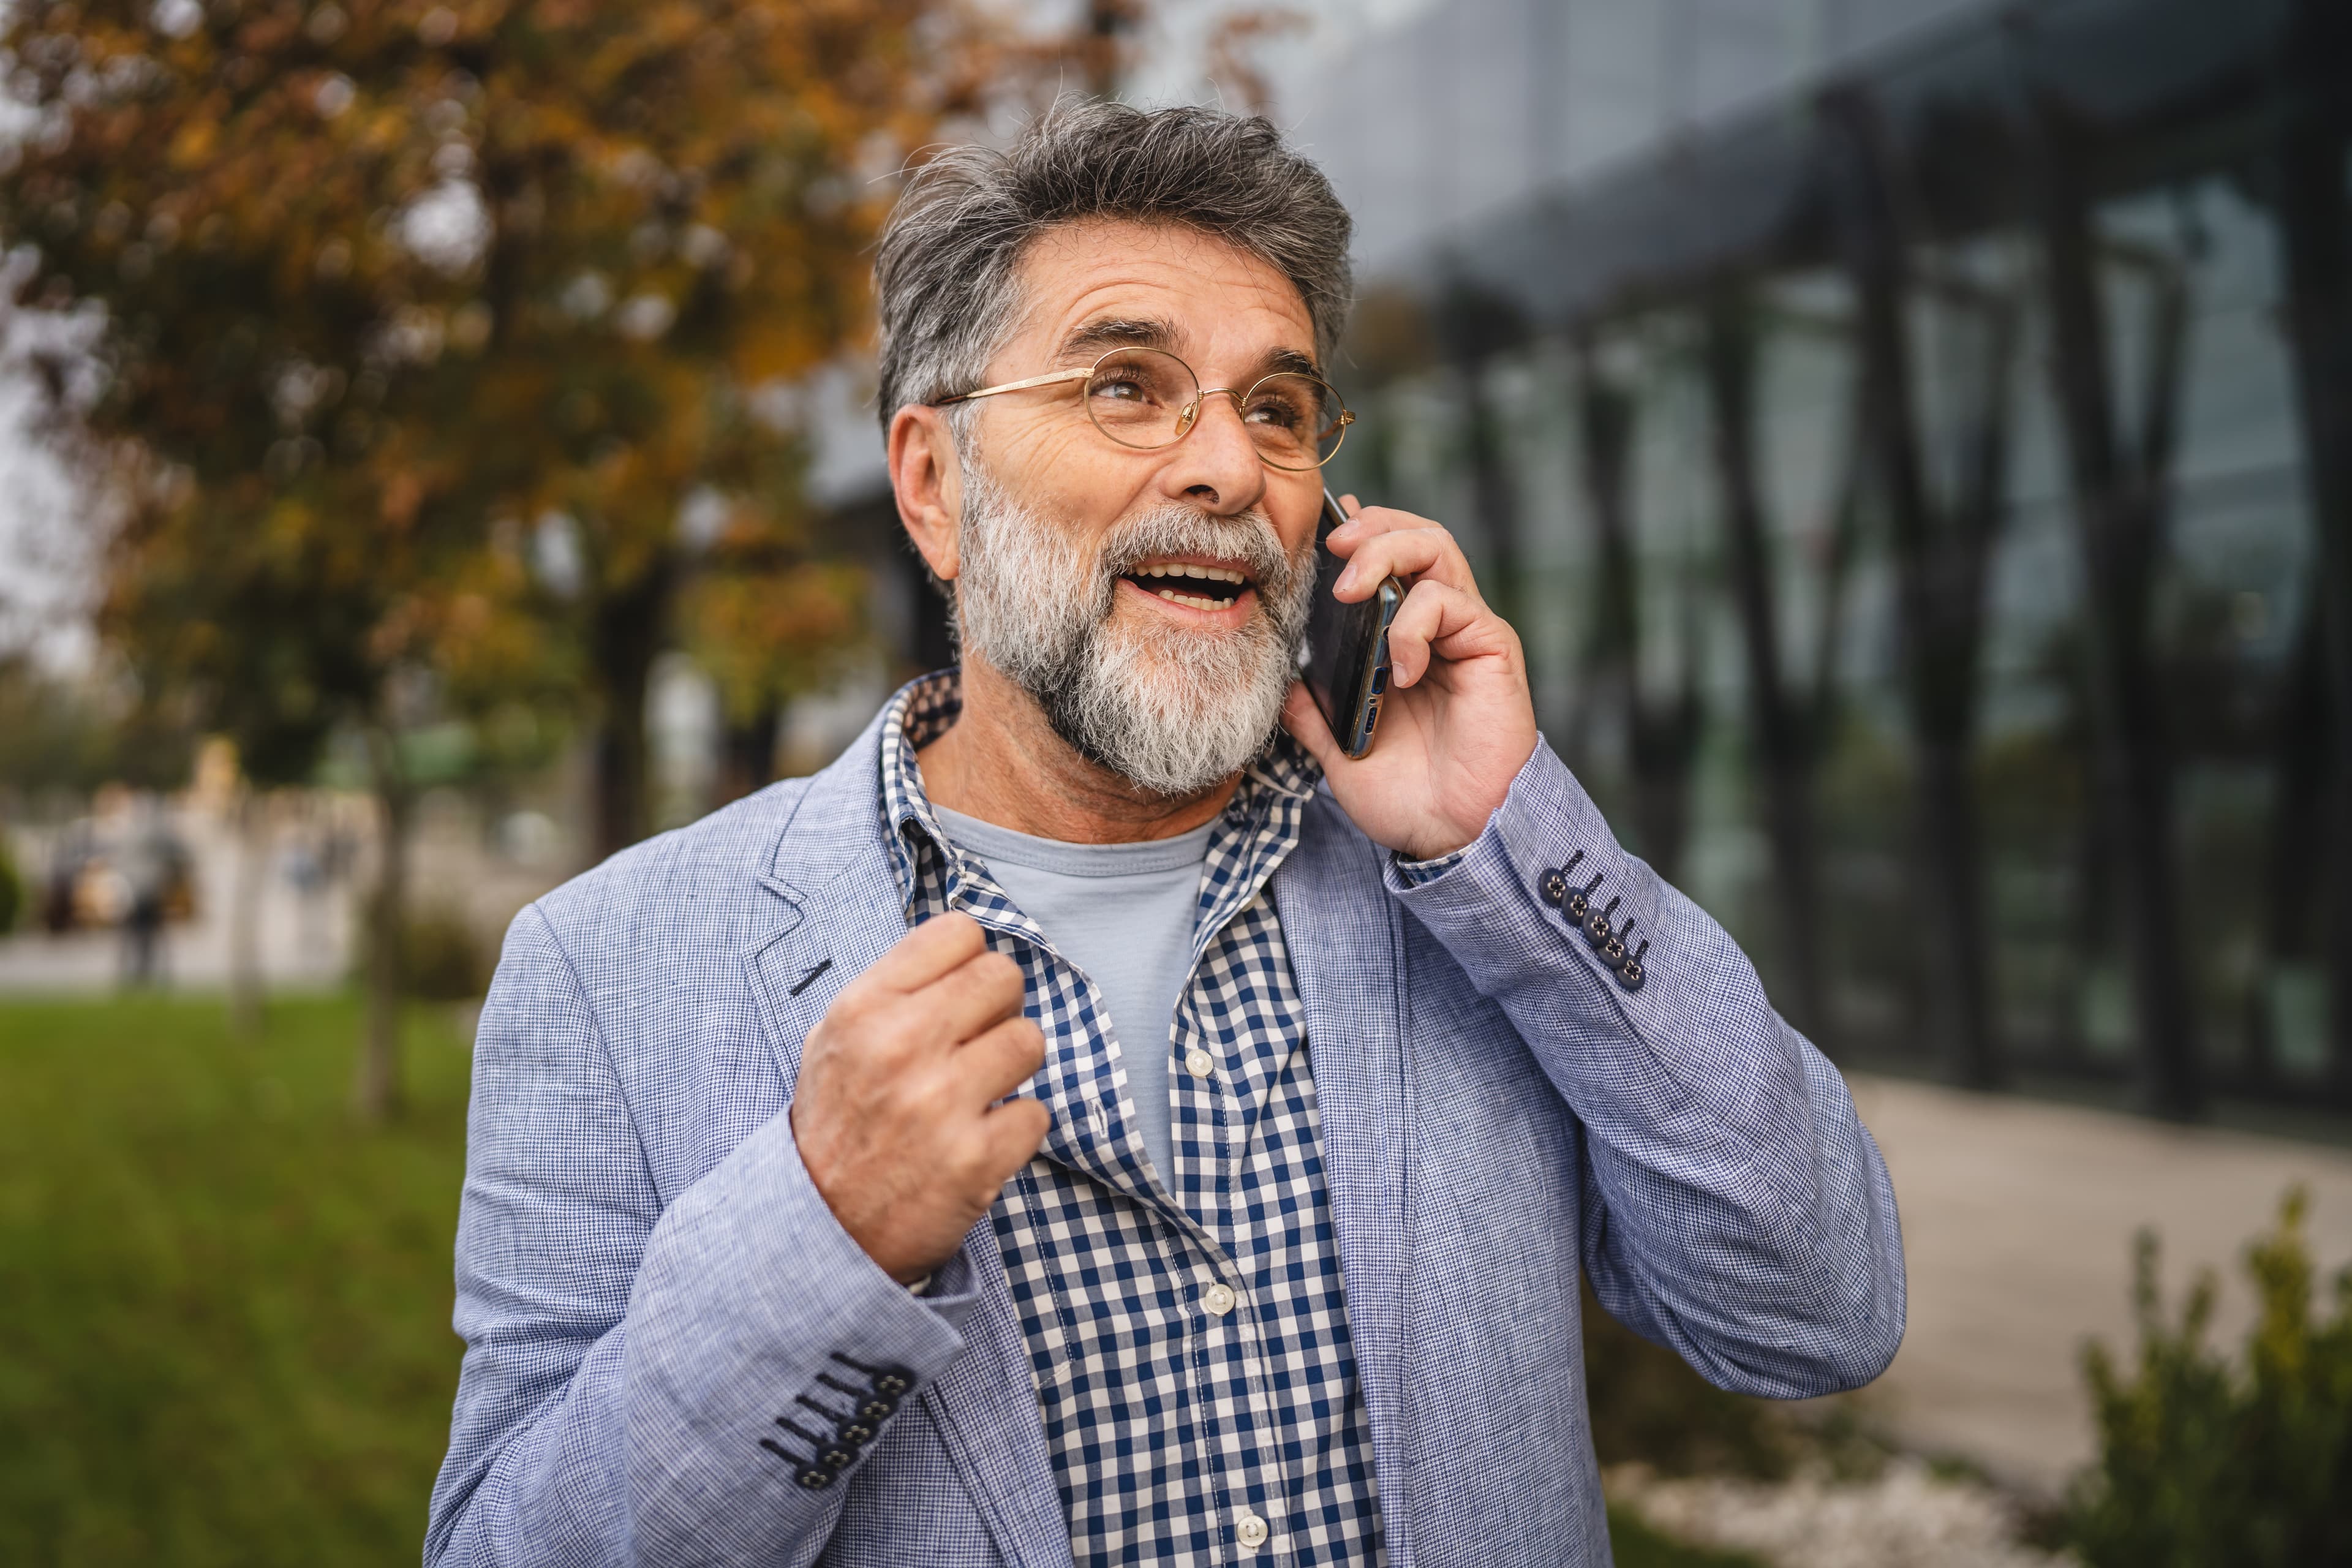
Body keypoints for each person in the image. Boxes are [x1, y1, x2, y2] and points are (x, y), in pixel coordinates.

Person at [427, 102, 1904, 1567]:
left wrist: (1506, 838)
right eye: (1127, 386)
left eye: (1277, 408)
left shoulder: (1464, 892)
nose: (1226, 468)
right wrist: (819, 1243)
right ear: (934, 485)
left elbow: (1819, 1308)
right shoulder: (604, 969)